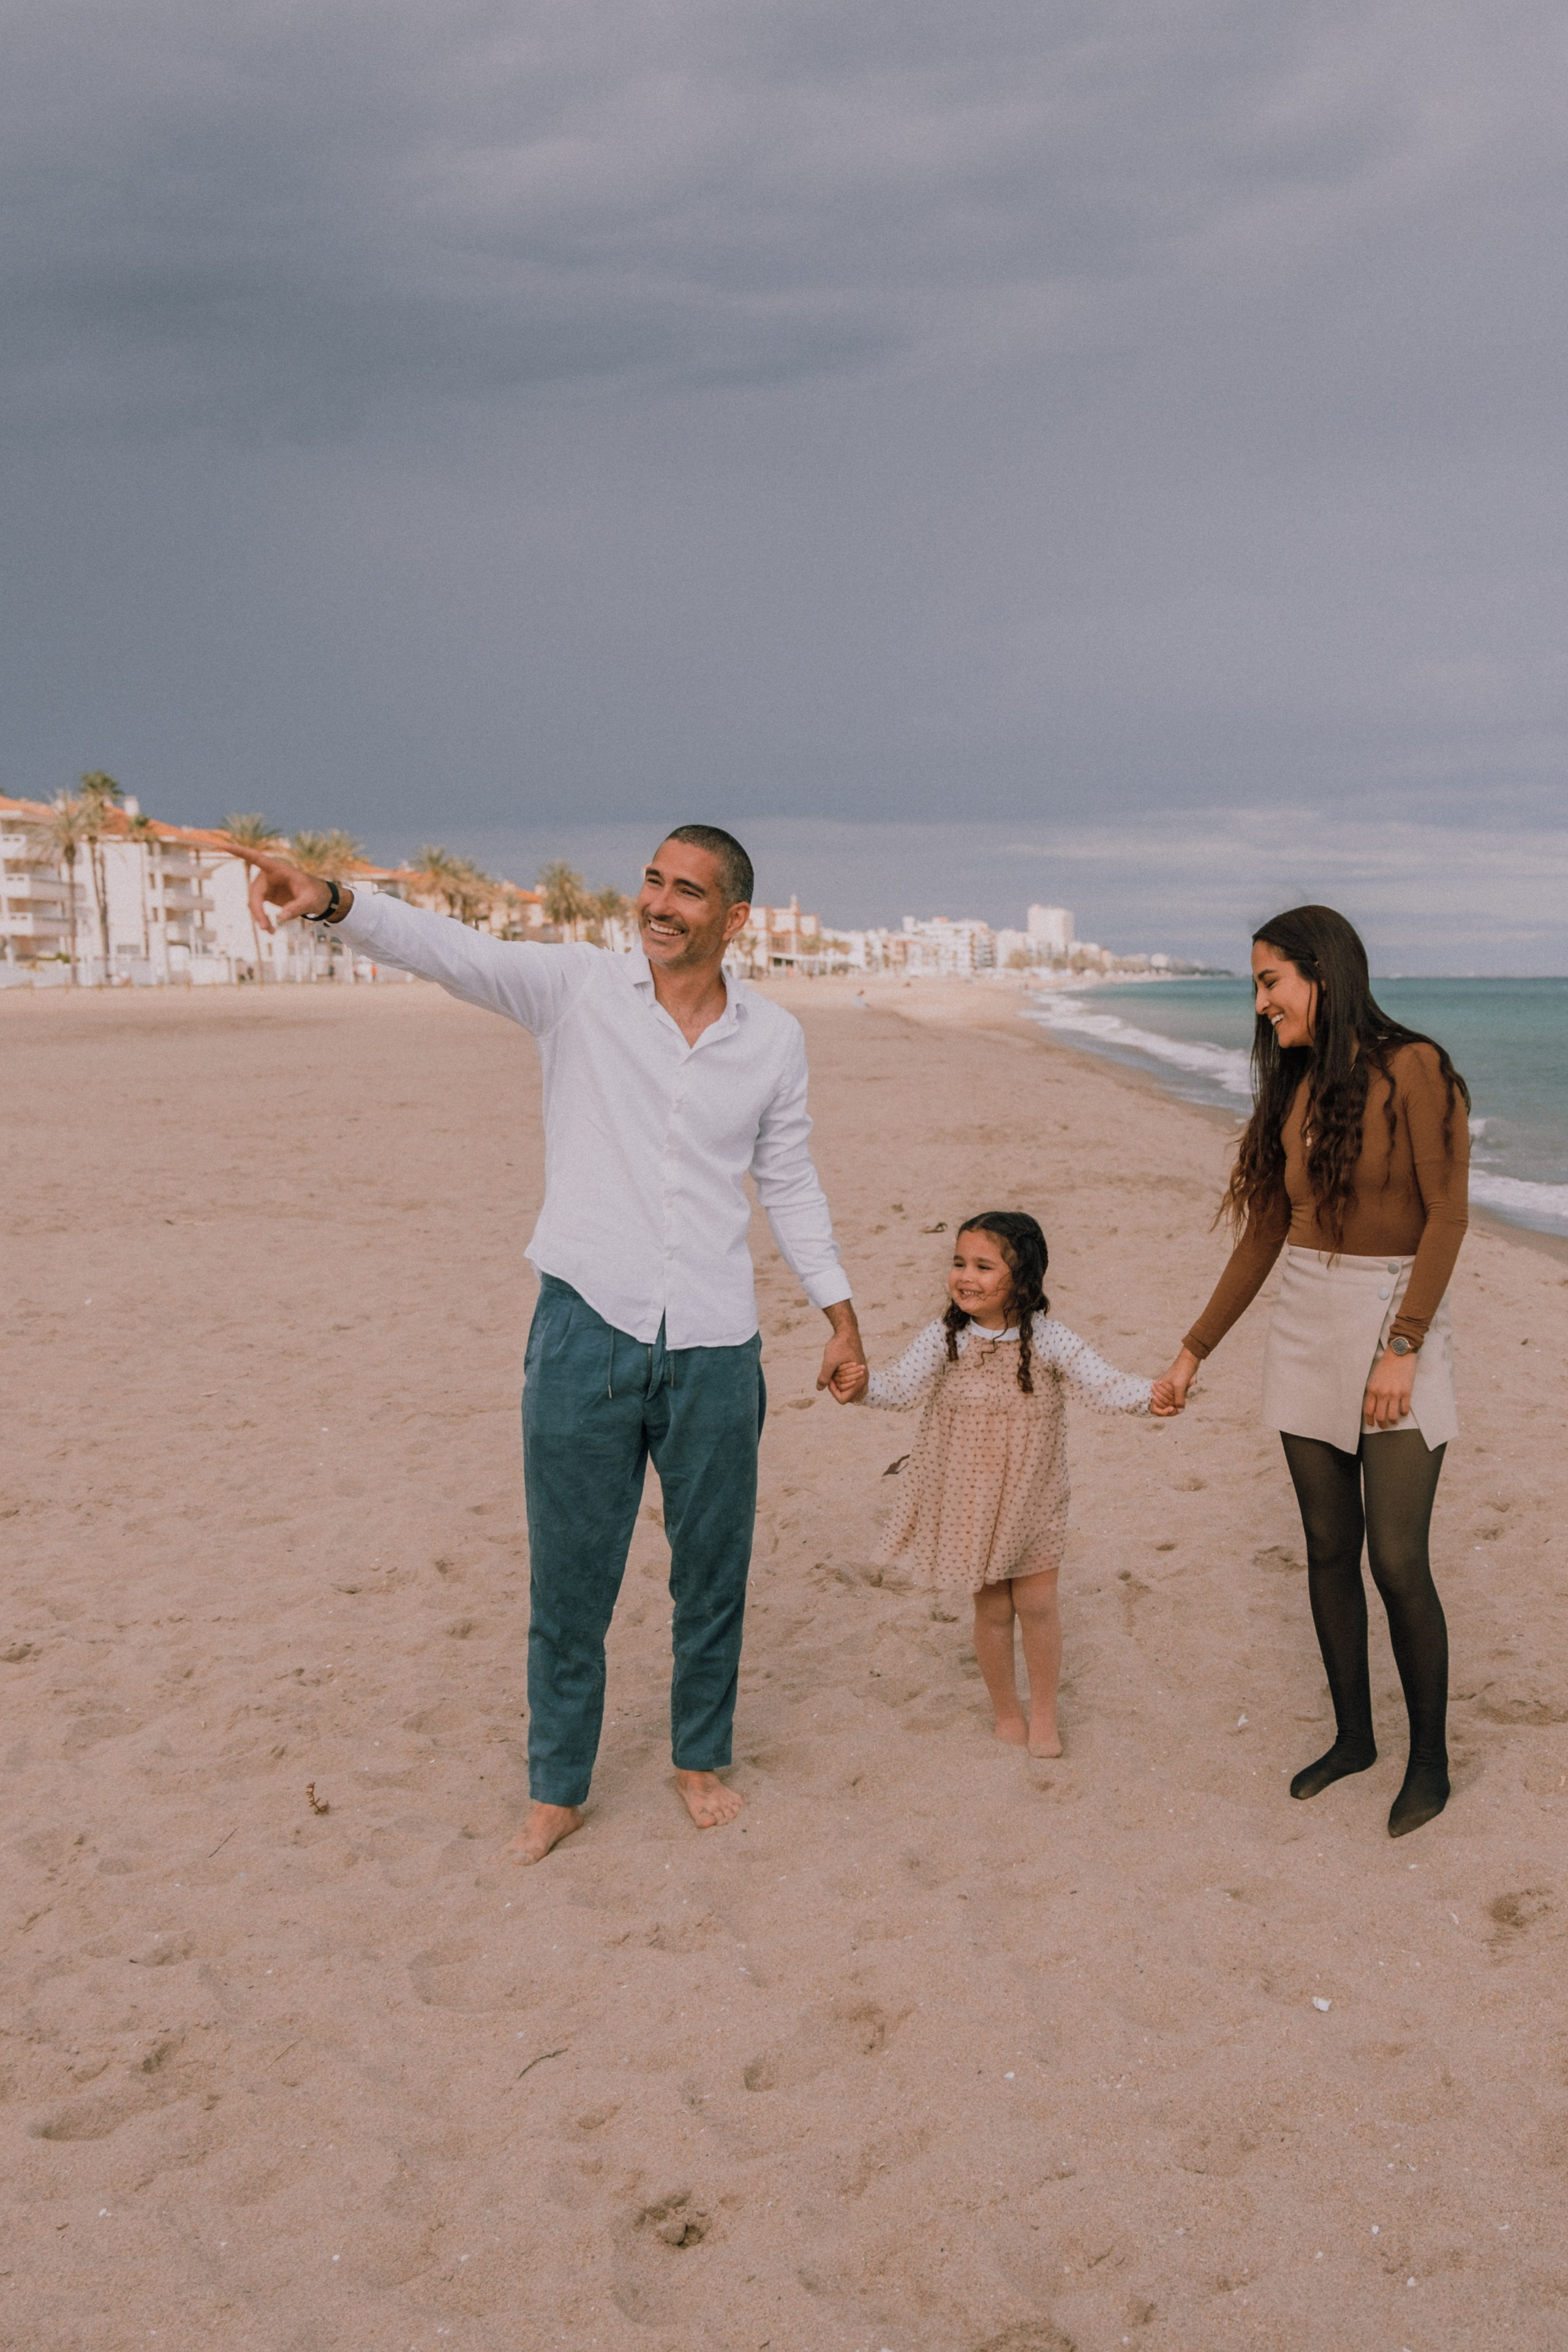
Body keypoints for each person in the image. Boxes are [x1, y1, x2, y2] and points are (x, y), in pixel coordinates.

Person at [238, 825, 865, 1864]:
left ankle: (699, 1757)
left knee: (713, 1574)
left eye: (687, 891)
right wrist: (333, 900)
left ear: (735, 918)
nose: (659, 903)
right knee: (571, 1579)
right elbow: (454, 951)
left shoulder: (775, 1039)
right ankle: (559, 1785)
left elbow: (789, 1179)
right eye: (653, 881)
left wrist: (838, 1312)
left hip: (716, 1343)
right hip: (584, 1329)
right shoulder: (577, 990)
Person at [1158, 905, 1469, 1839]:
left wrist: (1404, 1345)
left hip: (1397, 1318)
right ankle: (1354, 1739)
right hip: (1304, 1320)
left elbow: (1448, 1217)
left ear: (1321, 975)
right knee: (1329, 1547)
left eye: (1271, 982)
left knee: (1397, 1558)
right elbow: (1268, 1231)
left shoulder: (1417, 1068)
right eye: (1257, 986)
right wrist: (1194, 1349)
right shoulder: (1294, 1085)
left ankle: (1429, 1761)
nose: (1261, 1004)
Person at [830, 1212, 1175, 1757]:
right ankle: (1007, 1711)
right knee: (992, 1611)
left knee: (1038, 1606)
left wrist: (1152, 1397)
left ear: (1024, 1281)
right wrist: (862, 1385)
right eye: (959, 1263)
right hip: (972, 1504)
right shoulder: (946, 1338)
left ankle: (1044, 1715)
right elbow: (898, 1387)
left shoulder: (1050, 1340)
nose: (966, 1276)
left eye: (984, 1266)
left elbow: (1105, 1383)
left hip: (1035, 1501)